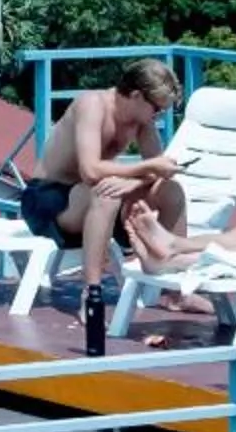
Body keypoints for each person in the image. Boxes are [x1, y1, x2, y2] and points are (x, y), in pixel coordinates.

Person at [20, 58, 186, 292]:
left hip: (95, 197)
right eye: (157, 109)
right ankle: (91, 294)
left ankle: (176, 291)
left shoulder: (142, 120)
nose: (159, 116)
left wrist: (134, 183)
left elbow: (157, 171)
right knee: (106, 194)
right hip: (50, 198)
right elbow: (90, 171)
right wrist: (141, 172)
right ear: (137, 96)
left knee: (171, 191)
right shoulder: (93, 105)